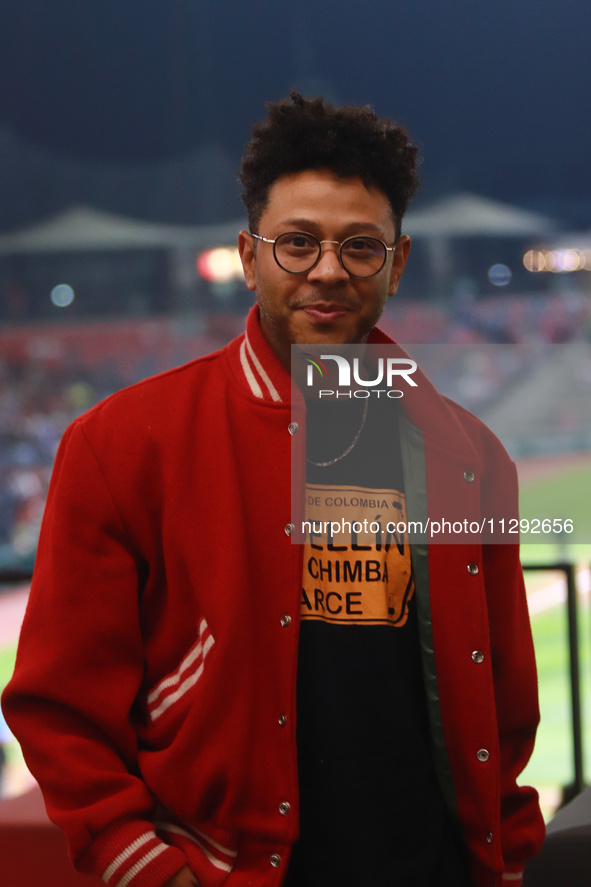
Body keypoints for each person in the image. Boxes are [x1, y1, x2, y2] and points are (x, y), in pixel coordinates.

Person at [2, 93, 544, 887]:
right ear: (249, 256)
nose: (327, 269)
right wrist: (149, 869)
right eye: (297, 242)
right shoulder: (120, 444)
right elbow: (58, 707)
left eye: (360, 246)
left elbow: (503, 698)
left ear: (395, 264)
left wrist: (504, 857)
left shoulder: (469, 453)